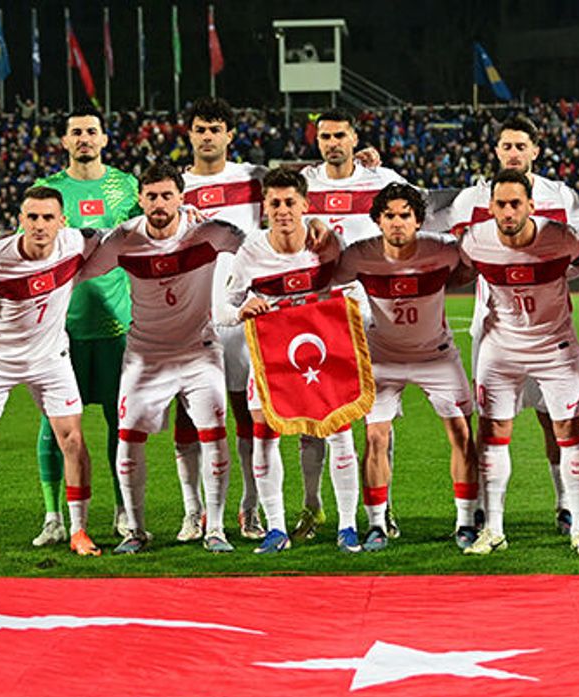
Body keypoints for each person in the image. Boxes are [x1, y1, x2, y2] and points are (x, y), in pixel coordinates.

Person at [79, 162, 245, 555]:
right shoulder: (124, 239)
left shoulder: (209, 232)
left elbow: (258, 247)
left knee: (214, 434)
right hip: (145, 356)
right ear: (140, 199)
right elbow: (76, 272)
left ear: (181, 198)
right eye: (151, 196)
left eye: (167, 195)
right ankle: (136, 531)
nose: (159, 203)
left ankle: (215, 528)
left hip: (199, 352)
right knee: (128, 438)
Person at [447, 115, 579, 535]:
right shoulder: (470, 199)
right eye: (506, 146)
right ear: (496, 151)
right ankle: (482, 509)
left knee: (554, 419)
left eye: (520, 146)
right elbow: (462, 258)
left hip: (549, 329)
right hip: (492, 327)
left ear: (535, 151)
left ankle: (565, 505)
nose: (513, 153)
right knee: (490, 422)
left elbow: (578, 251)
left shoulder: (560, 196)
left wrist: (546, 277)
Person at [0, 186, 106, 561]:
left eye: (48, 217)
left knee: (72, 439)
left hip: (50, 357)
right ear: (21, 220)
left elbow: (118, 235)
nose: (39, 225)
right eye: (32, 217)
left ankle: (79, 530)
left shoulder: (76, 242)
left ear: (62, 221)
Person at [223, 167, 362, 554]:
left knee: (340, 433)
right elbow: (224, 307)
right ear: (264, 207)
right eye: (275, 203)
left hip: (323, 357)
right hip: (272, 363)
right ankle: (276, 528)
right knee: (264, 435)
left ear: (305, 205)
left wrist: (351, 312)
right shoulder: (251, 252)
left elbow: (355, 291)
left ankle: (348, 526)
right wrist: (241, 309)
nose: (282, 210)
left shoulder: (327, 245)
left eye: (289, 202)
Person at [334, 183, 479, 553]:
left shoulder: (443, 249)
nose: (397, 222)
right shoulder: (359, 255)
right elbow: (325, 283)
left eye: (405, 215)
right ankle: (376, 524)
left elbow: (472, 266)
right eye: (389, 216)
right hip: (383, 357)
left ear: (418, 220)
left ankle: (466, 521)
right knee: (375, 438)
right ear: (378, 221)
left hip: (437, 357)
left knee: (462, 434)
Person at [298, 107, 412, 542]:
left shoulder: (382, 181)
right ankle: (313, 506)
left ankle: (383, 508)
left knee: (377, 420)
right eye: (325, 136)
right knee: (313, 421)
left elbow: (412, 219)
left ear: (354, 138)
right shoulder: (304, 183)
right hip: (315, 313)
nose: (333, 143)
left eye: (340, 135)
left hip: (370, 314)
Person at [28, 107, 139, 548]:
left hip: (117, 326)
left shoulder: (126, 186)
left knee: (121, 425)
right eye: (76, 132)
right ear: (64, 141)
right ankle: (53, 516)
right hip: (63, 329)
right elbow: (30, 251)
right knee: (54, 426)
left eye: (92, 131)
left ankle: (123, 511)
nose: (84, 138)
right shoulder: (49, 191)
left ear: (104, 139)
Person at [174, 96, 268, 544]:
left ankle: (250, 507)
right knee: (189, 419)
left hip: (245, 315)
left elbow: (310, 185)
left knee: (249, 415)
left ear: (230, 134)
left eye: (215, 129)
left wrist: (365, 162)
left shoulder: (254, 179)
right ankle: (193, 512)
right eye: (200, 129)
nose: (208, 136)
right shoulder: (174, 186)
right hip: (189, 316)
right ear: (189, 134)